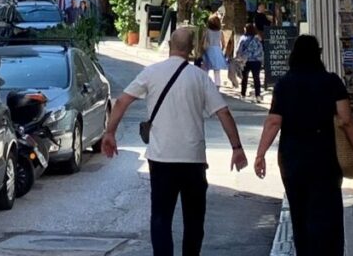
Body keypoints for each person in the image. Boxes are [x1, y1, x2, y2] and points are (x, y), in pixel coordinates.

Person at [102, 26, 248, 256]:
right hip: (193, 160)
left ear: (170, 46)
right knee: (194, 220)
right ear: (191, 50)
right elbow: (224, 113)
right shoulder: (200, 77)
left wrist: (110, 133)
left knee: (161, 218)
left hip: (161, 159)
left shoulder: (151, 72)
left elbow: (121, 102)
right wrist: (237, 148)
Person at [254, 34, 353, 256]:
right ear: (318, 55)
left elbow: (274, 121)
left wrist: (260, 154)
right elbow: (346, 120)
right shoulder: (332, 82)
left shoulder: (284, 84)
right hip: (326, 156)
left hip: (293, 157)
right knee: (328, 212)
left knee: (300, 212)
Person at [235, 23, 264, 100]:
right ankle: (258, 95)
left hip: (246, 61)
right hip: (256, 61)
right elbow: (261, 50)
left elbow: (239, 49)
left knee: (244, 78)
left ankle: (243, 94)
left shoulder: (243, 38)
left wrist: (239, 58)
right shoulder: (257, 39)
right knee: (256, 78)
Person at [202, 14, 228, 86]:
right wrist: (221, 50)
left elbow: (203, 41)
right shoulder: (220, 32)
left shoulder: (207, 31)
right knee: (217, 70)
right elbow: (223, 43)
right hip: (217, 50)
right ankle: (217, 85)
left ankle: (205, 84)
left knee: (206, 68)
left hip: (209, 49)